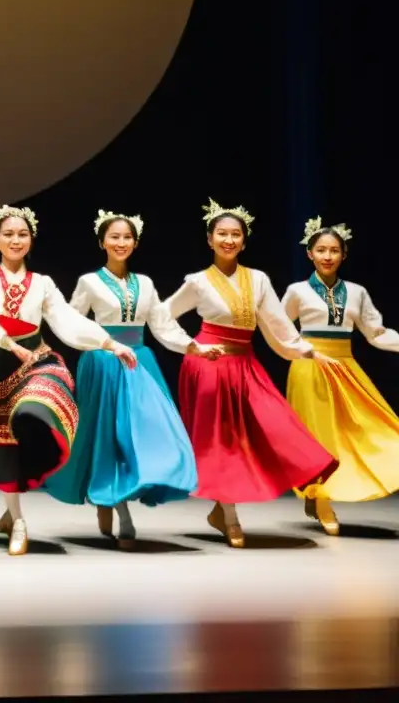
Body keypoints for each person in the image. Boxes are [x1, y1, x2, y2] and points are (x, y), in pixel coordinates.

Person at [163, 199, 339, 547]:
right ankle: (229, 516)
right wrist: (190, 346)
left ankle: (224, 510)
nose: (229, 240)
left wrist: (306, 349)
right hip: (209, 365)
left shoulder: (257, 279)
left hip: (245, 362)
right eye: (222, 233)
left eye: (236, 234)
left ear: (244, 241)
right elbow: (162, 314)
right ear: (210, 239)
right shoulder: (197, 281)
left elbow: (276, 322)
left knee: (275, 425)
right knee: (222, 441)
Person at [0, 203, 138, 556]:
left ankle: (20, 503)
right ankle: (16, 517)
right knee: (3, 443)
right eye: (9, 234)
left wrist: (108, 343)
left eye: (23, 234)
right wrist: (8, 343)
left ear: (31, 239)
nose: (16, 240)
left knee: (34, 411)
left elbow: (66, 320)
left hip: (35, 360)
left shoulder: (41, 283)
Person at [44, 210, 219, 549]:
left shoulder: (147, 284)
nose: (120, 243)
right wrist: (99, 346)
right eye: (114, 237)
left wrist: (192, 347)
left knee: (149, 431)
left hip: (139, 362)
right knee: (110, 437)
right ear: (102, 242)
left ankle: (117, 495)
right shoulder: (89, 282)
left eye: (127, 238)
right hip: (103, 363)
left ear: (135, 243)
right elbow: (71, 322)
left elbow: (163, 325)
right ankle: (120, 510)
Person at [282, 217, 399, 533]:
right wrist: (301, 350)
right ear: (310, 254)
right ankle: (321, 498)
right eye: (321, 250)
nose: (327, 256)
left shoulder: (357, 292)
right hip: (310, 368)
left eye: (334, 250)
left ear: (344, 255)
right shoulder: (297, 291)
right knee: (320, 437)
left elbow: (375, 332)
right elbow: (279, 330)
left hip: (346, 366)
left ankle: (317, 491)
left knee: (371, 428)